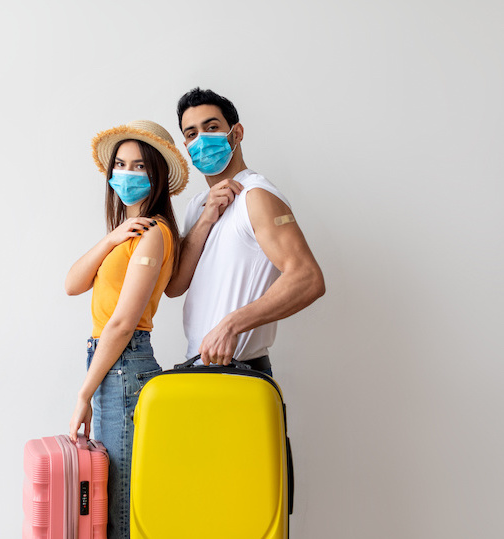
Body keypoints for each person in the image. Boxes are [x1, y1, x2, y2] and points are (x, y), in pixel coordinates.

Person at [65, 120, 188, 539]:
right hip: (111, 364)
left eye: (140, 166)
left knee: (120, 509)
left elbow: (120, 322)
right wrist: (110, 239)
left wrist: (83, 394)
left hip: (123, 363)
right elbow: (71, 284)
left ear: (156, 176)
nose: (127, 174)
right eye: (121, 164)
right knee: (112, 502)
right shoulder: (127, 235)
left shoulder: (153, 234)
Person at [165, 88, 325, 376]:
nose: (201, 139)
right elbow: (174, 286)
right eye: (191, 134)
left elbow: (308, 278)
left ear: (236, 133)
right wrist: (204, 220)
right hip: (195, 369)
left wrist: (231, 325)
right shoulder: (197, 206)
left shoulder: (256, 195)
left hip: (240, 371)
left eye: (211, 127)